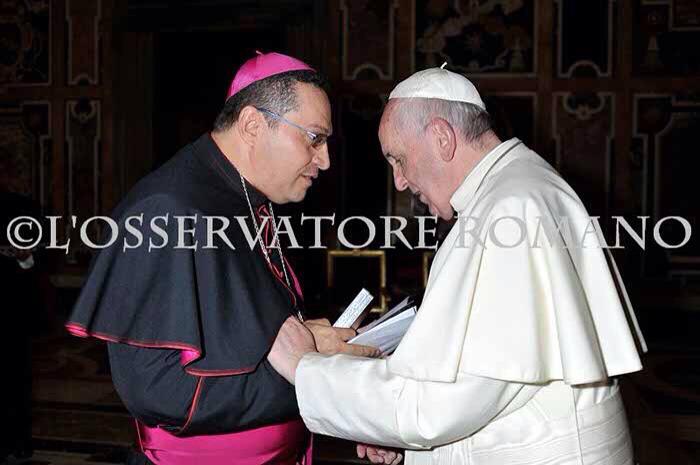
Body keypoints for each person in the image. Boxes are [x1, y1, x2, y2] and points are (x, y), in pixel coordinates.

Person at [267, 66, 648, 465]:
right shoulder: (523, 185)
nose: (399, 182)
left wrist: (306, 368)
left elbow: (437, 405)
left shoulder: (509, 210)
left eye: (399, 159)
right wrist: (397, 437)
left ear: (441, 138)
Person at [66, 52, 376, 465]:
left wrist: (310, 344)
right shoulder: (166, 211)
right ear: (252, 124)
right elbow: (158, 391)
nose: (325, 160)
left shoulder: (245, 197)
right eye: (314, 138)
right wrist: (313, 376)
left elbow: (247, 336)